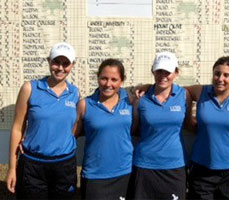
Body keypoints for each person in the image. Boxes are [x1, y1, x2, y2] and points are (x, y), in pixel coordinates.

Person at [6, 42, 79, 199]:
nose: (60, 68)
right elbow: (17, 128)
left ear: (73, 65)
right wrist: (12, 168)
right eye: (56, 62)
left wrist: (144, 87)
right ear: (48, 61)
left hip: (64, 166)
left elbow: (74, 126)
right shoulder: (30, 88)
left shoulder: (75, 93)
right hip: (33, 166)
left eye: (65, 63)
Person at [186, 56, 229, 199]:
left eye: (226, 75)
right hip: (202, 169)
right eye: (217, 74)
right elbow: (176, 90)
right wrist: (188, 119)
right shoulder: (202, 91)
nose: (220, 79)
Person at [130, 52, 192, 199]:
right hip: (145, 165)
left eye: (168, 72)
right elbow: (133, 129)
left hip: (175, 166)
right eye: (159, 71)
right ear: (153, 71)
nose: (163, 75)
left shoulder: (184, 95)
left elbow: (189, 124)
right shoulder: (141, 98)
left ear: (176, 73)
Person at [74, 59, 136, 199]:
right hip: (95, 176)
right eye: (104, 78)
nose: (108, 84)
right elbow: (71, 136)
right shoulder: (85, 104)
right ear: (98, 78)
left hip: (124, 173)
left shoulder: (130, 102)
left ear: (122, 81)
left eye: (114, 79)